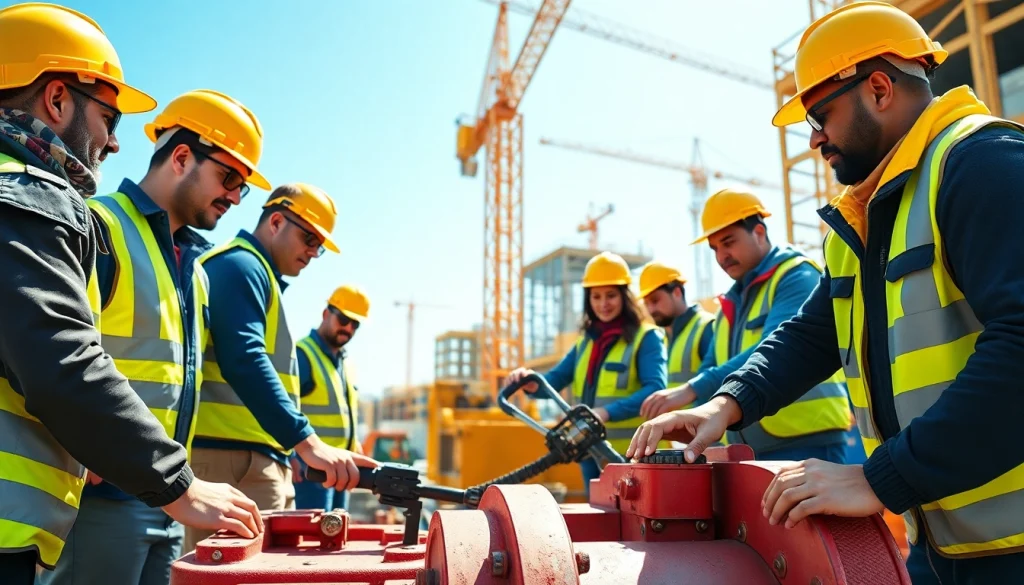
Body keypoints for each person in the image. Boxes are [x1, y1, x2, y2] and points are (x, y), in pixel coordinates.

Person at [628, 2, 1024, 583]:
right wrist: (723, 404)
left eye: (822, 115)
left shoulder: (980, 164)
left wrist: (877, 478)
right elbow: (813, 334)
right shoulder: (863, 217)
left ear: (881, 88)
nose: (815, 139)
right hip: (943, 543)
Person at [0, 4, 261, 582]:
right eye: (109, 119)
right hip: (79, 506)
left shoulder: (191, 264)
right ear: (58, 99)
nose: (113, 142)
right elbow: (60, 359)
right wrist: (176, 480)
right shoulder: (31, 197)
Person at [185, 184, 378, 551]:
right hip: (232, 460)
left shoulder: (257, 275)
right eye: (308, 237)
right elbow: (244, 358)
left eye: (318, 245)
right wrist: (307, 442)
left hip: (252, 459)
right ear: (276, 221)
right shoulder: (241, 266)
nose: (312, 252)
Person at [639, 188, 852, 463]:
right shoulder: (730, 301)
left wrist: (689, 389)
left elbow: (771, 350)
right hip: (746, 445)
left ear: (760, 233)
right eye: (715, 248)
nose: (721, 256)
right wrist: (696, 415)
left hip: (806, 439)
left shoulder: (797, 277)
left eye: (729, 242)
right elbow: (712, 365)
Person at [506, 251, 666, 492]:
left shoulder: (646, 338)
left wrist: (605, 412)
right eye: (596, 296)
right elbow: (554, 381)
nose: (603, 304)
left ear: (624, 296)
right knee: (599, 523)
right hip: (589, 452)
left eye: (611, 295)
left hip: (634, 456)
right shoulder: (585, 343)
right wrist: (528, 381)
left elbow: (655, 390)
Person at [291, 285, 368, 512]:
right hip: (310, 469)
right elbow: (282, 406)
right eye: (344, 319)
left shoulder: (345, 364)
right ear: (326, 314)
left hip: (342, 469)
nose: (348, 328)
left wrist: (355, 447)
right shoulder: (302, 354)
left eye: (355, 324)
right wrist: (289, 456)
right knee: (311, 537)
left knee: (334, 534)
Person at [636, 261, 714, 391]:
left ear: (677, 293)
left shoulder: (706, 328)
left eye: (655, 300)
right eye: (646, 303)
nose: (651, 309)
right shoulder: (661, 339)